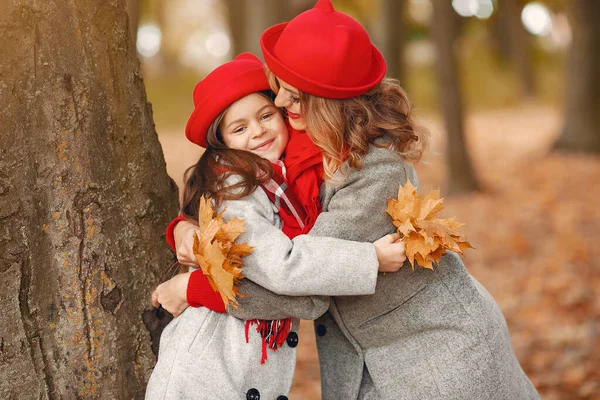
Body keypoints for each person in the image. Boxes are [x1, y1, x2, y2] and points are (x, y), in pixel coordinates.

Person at [163, 1, 541, 399]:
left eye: (293, 97)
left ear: (326, 103)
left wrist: (194, 290)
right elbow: (265, 209)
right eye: (280, 92)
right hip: (369, 357)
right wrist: (187, 228)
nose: (278, 106)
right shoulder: (303, 143)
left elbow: (307, 292)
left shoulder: (374, 172)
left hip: (434, 353)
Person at [145, 52, 407, 400]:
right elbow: (282, 267)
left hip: (252, 357)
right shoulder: (237, 188)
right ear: (222, 143)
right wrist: (368, 259)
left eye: (266, 115)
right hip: (211, 361)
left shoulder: (284, 176)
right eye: (240, 128)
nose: (258, 131)